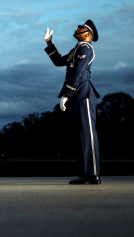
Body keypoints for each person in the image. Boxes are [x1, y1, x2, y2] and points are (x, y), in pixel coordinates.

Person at [43, 20, 101, 185]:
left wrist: (67, 93)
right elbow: (59, 62)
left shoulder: (86, 48)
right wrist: (49, 43)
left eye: (81, 28)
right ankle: (85, 174)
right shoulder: (77, 49)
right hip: (77, 95)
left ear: (88, 34)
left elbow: (78, 71)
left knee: (88, 135)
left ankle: (93, 175)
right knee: (80, 137)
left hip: (84, 94)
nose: (77, 29)